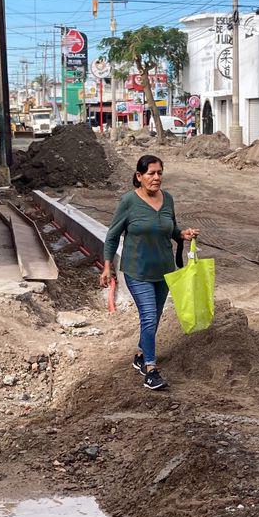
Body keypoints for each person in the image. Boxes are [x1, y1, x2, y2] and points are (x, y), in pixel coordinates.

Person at [101, 155, 199, 391]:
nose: (156, 178)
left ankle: (140, 353)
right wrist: (107, 266)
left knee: (153, 318)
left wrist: (182, 234)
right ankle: (151, 369)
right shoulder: (128, 202)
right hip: (137, 270)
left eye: (159, 173)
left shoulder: (168, 200)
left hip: (164, 271)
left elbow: (169, 228)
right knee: (148, 315)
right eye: (151, 174)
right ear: (139, 176)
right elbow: (112, 235)